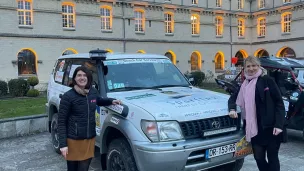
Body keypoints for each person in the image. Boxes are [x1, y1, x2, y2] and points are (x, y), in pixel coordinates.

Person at [58, 66, 122, 171]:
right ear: (74, 78)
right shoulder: (68, 96)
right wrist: (63, 145)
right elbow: (61, 121)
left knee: (84, 168)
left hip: (89, 139)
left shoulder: (92, 92)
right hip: (73, 139)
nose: (82, 78)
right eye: (79, 75)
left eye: (85, 75)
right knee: (72, 169)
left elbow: (98, 100)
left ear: (88, 78)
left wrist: (111, 101)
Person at [228, 56, 285, 171]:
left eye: (254, 65)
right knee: (258, 158)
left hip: (271, 128)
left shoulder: (267, 80)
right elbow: (232, 98)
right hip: (254, 129)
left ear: (259, 66)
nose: (251, 68)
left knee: (272, 158)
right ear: (244, 68)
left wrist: (279, 125)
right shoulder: (244, 85)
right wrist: (232, 109)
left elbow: (279, 103)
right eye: (248, 66)